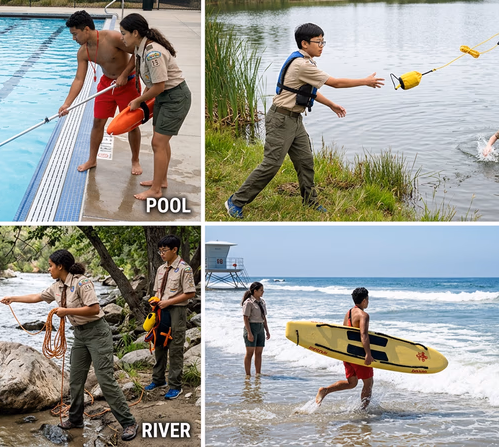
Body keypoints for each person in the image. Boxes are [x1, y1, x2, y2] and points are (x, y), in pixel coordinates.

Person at [225, 23, 384, 218]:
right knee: (272, 164)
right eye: (318, 42)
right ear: (304, 43)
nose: (322, 46)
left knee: (305, 161)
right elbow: (335, 83)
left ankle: (310, 201)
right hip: (281, 119)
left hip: (294, 119)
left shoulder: (307, 62)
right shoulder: (301, 65)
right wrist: (365, 81)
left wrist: (332, 105)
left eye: (323, 41)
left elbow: (307, 92)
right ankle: (235, 201)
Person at [0, 249, 137, 441]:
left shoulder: (82, 282)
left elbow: (95, 309)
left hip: (97, 332)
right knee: (75, 380)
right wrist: (13, 299)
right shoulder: (56, 286)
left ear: (60, 266)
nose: (49, 269)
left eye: (50, 266)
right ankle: (75, 419)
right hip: (80, 335)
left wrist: (66, 311)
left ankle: (128, 422)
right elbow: (37, 297)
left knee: (105, 380)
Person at [59, 11, 142, 176]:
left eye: (75, 34)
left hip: (128, 83)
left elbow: (138, 52)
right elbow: (78, 79)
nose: (73, 38)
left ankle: (135, 160)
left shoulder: (112, 37)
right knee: (97, 122)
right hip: (107, 84)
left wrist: (125, 74)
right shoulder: (83, 52)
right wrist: (67, 103)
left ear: (87, 29)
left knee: (131, 124)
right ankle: (92, 159)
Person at [119, 14, 192, 201]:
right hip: (163, 97)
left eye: (124, 33)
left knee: (157, 143)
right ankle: (162, 180)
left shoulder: (153, 53)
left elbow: (159, 85)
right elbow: (152, 81)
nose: (122, 38)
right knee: (161, 141)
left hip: (175, 97)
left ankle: (156, 190)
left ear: (135, 33)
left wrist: (138, 101)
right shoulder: (140, 47)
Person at [144, 235, 196, 399]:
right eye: (160, 251)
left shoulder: (184, 268)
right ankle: (158, 379)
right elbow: (157, 290)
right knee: (158, 343)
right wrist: (157, 300)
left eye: (164, 250)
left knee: (175, 347)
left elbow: (190, 293)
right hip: (161, 310)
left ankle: (175, 385)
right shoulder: (160, 269)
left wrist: (169, 302)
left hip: (177, 312)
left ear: (175, 249)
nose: (161, 254)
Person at [315, 287, 374, 410]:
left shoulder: (349, 313)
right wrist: (368, 354)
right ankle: (363, 411)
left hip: (347, 353)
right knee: (368, 383)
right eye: (367, 299)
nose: (368, 302)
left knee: (352, 383)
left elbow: (344, 333)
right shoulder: (364, 315)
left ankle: (325, 390)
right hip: (358, 354)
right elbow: (364, 335)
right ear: (364, 300)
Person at [242, 282, 270, 377]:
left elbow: (264, 317)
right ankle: (248, 375)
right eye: (261, 290)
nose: (263, 292)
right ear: (255, 291)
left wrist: (267, 330)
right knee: (250, 353)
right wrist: (249, 333)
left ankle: (258, 373)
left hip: (260, 328)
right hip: (251, 327)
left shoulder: (262, 302)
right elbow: (245, 318)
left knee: (259, 353)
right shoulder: (248, 303)